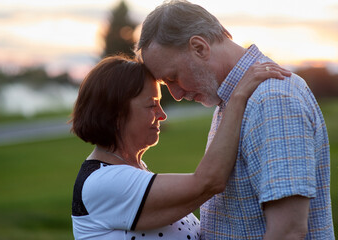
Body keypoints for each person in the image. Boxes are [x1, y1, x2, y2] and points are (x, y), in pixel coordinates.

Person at [136, 0, 334, 239]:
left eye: (173, 77)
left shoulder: (271, 99)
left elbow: (288, 231)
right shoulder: (234, 100)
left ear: (199, 47)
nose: (176, 95)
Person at [69, 54, 288, 239]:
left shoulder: (128, 171)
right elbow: (209, 182)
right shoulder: (102, 183)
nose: (162, 115)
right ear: (115, 113)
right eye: (152, 105)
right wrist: (238, 96)